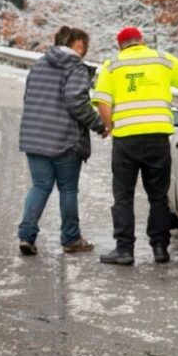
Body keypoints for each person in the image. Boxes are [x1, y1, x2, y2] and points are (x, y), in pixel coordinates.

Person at [91, 26, 178, 265]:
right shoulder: (163, 59)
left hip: (126, 141)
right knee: (157, 195)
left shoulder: (111, 65)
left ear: (120, 45)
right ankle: (160, 248)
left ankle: (124, 250)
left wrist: (110, 128)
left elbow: (103, 102)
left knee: (123, 195)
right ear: (141, 41)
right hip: (157, 138)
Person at [17, 26, 108, 256]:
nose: (85, 50)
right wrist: (99, 125)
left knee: (40, 185)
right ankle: (71, 238)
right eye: (84, 45)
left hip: (35, 136)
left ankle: (26, 236)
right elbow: (77, 102)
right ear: (77, 44)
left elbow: (28, 97)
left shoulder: (39, 64)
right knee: (67, 189)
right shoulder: (75, 67)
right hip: (65, 140)